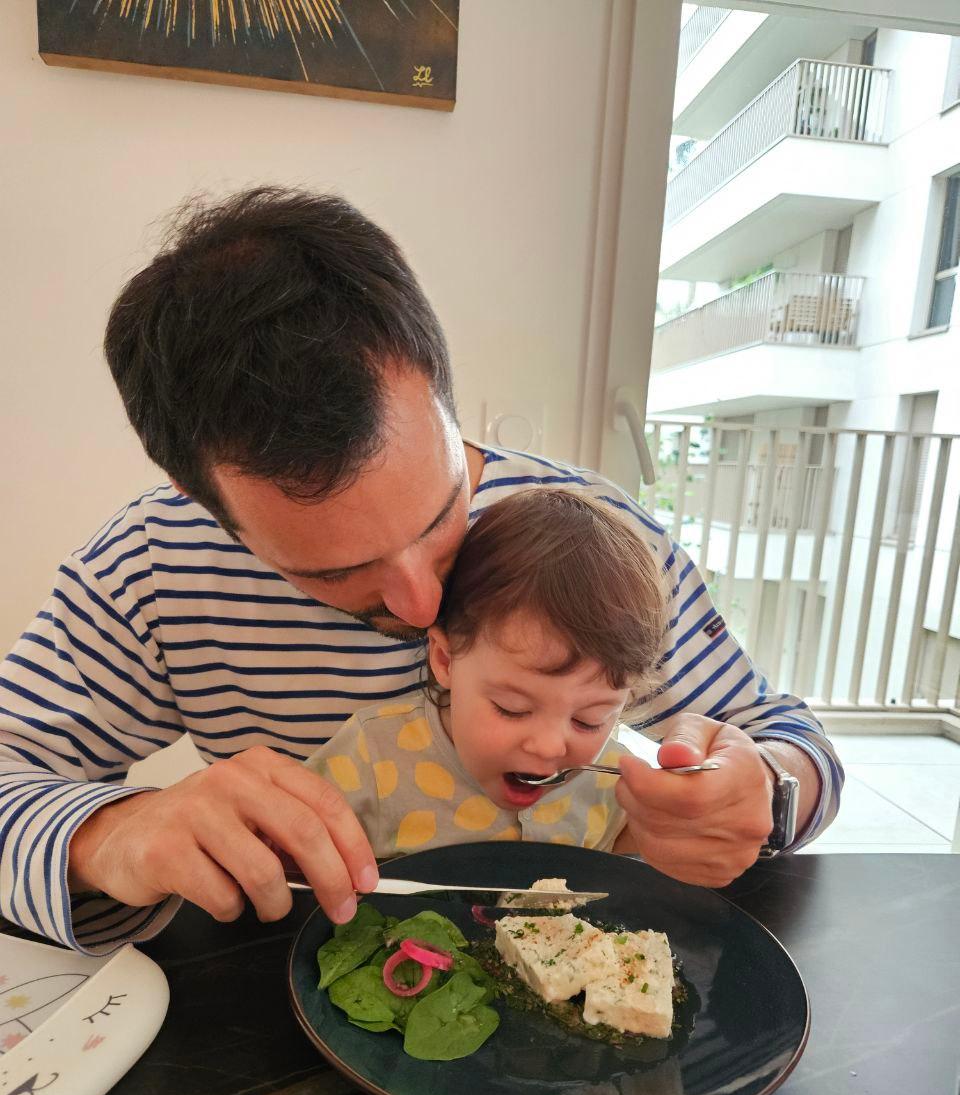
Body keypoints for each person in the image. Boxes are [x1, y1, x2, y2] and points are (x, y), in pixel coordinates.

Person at [0, 187, 842, 956]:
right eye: (337, 570)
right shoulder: (153, 565)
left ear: (442, 389)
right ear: (201, 497)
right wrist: (110, 835)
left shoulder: (591, 538)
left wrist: (764, 794)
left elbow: (794, 744)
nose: (421, 602)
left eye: (441, 515)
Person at [304, 488, 669, 856]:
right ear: (445, 660)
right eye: (512, 709)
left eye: (589, 721)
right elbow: (290, 846)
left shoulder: (617, 780)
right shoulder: (371, 755)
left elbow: (632, 862)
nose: (549, 747)